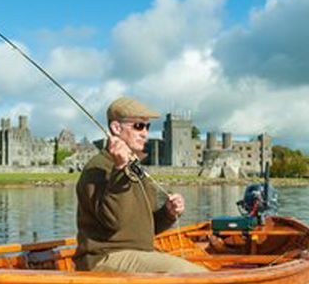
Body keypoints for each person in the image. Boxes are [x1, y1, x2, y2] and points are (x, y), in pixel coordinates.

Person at [74, 96, 209, 273]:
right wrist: (120, 170)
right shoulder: (98, 168)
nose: (145, 133)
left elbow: (143, 227)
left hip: (137, 253)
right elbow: (114, 222)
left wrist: (168, 213)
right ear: (116, 128)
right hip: (103, 258)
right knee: (195, 276)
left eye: (147, 126)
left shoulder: (136, 169)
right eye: (138, 126)